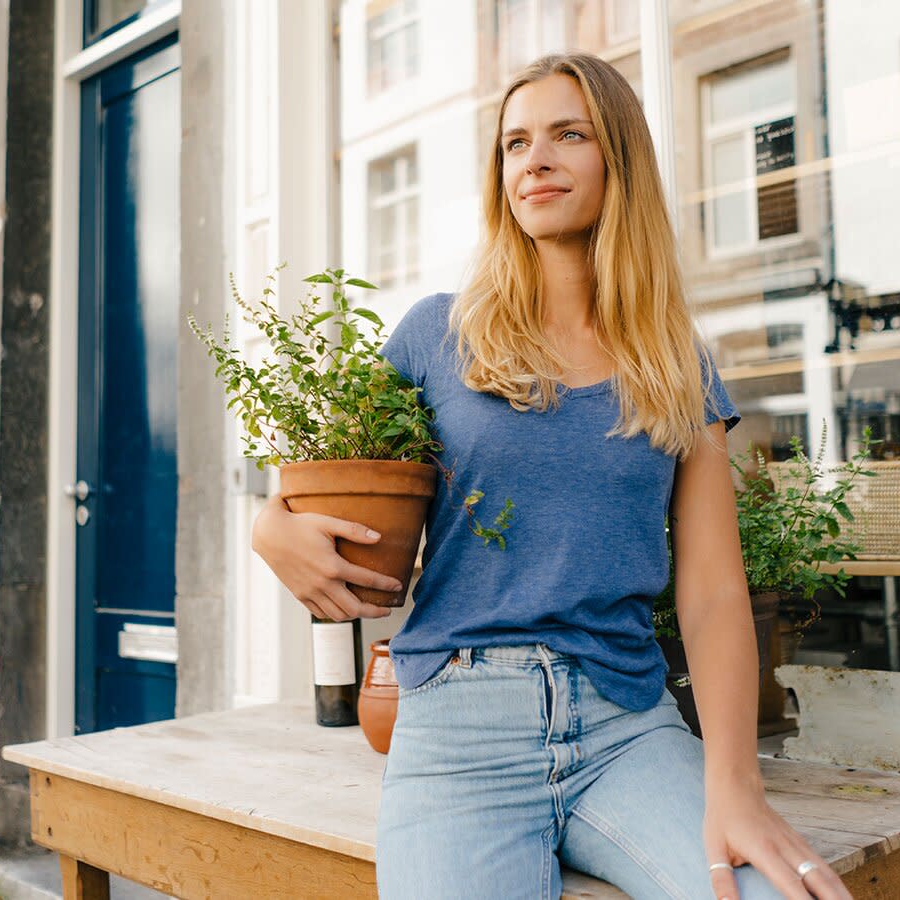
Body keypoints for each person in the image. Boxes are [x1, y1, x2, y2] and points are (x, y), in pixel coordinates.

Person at [252, 52, 850, 900]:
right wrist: (269, 523)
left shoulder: (675, 360)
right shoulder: (434, 336)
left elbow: (714, 592)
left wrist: (736, 785)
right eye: (515, 143)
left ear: (620, 161)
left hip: (627, 728)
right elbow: (330, 479)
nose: (534, 159)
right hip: (460, 732)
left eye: (569, 135)